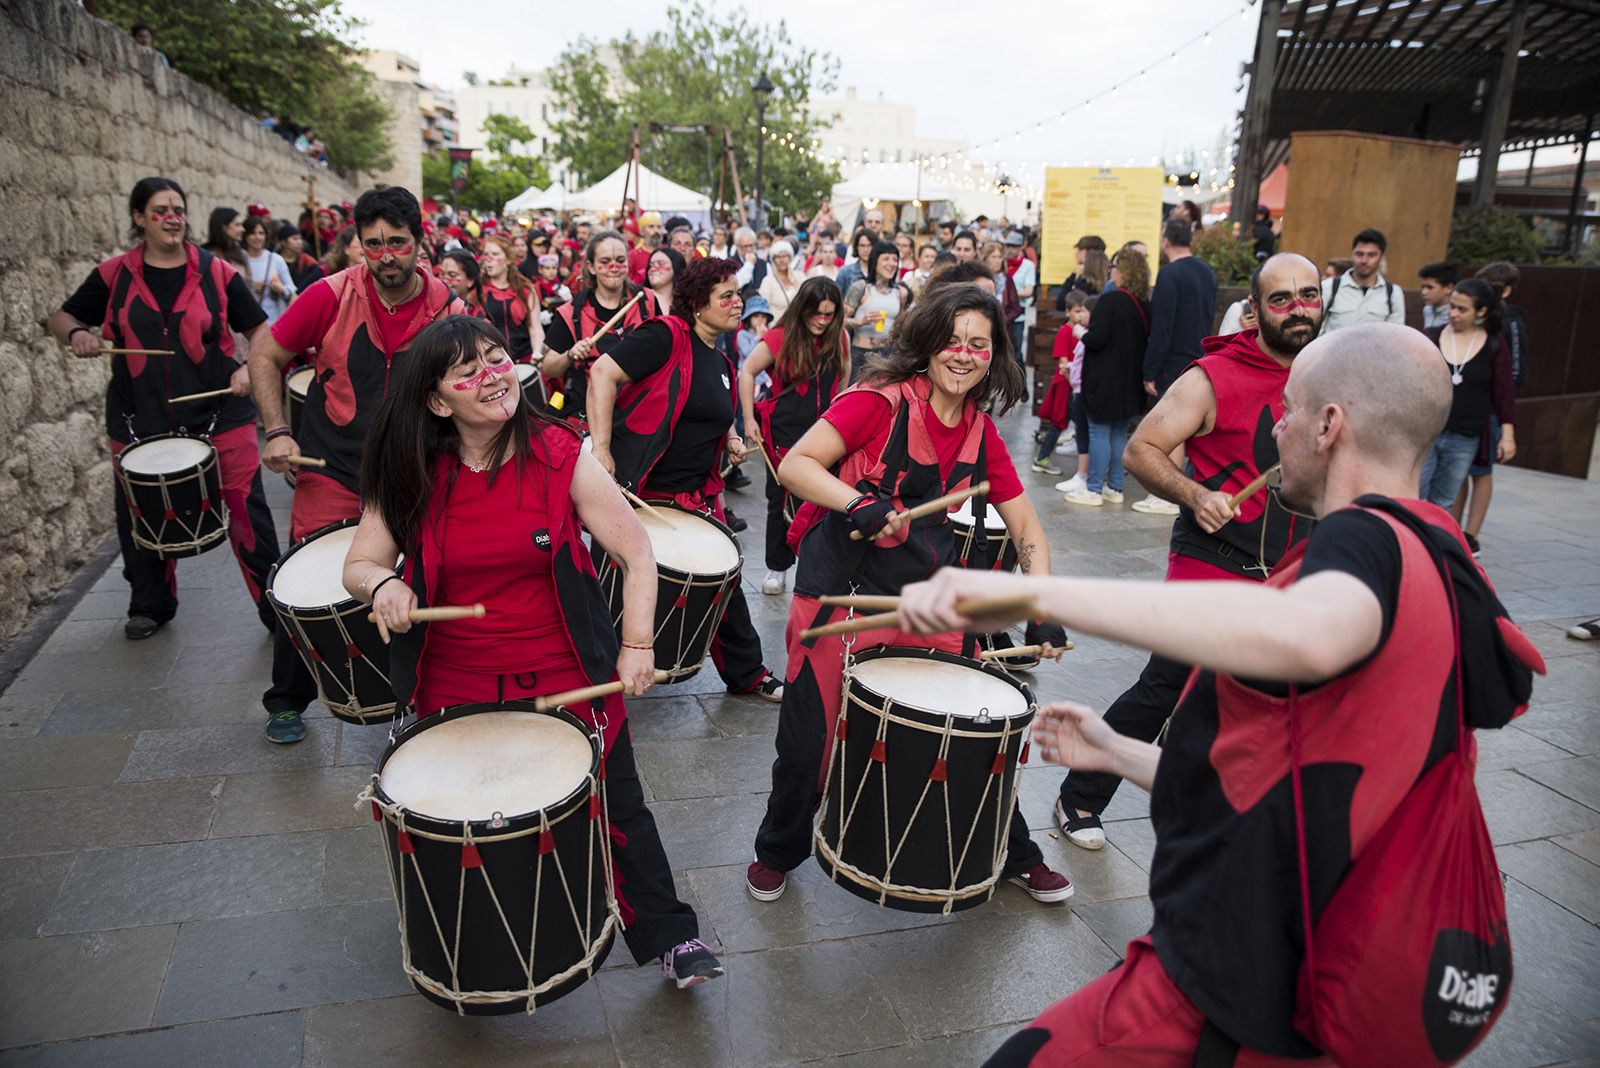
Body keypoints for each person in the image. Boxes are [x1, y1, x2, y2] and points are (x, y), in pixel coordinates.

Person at [898, 322, 1540, 1067]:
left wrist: (1026, 593)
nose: (1278, 428)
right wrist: (1122, 752)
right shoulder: (1438, 548)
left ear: (1330, 426)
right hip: (1318, 980)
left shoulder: (1364, 544)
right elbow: (1291, 787)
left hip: (1240, 990)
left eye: (1290, 410)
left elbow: (1307, 634)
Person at [343, 315, 725, 991]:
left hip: (566, 671)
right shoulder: (411, 468)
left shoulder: (559, 452)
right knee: (469, 816)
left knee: (618, 805)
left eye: (496, 359)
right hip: (451, 678)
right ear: (438, 400)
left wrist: (637, 645)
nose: (492, 376)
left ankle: (669, 933)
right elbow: (360, 563)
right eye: (468, 371)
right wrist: (385, 583)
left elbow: (636, 549)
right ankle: (479, 948)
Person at [744, 283, 1075, 904]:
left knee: (978, 729)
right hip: (842, 596)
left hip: (927, 603)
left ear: (992, 356)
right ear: (927, 346)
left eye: (978, 344)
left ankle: (1013, 853)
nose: (963, 354)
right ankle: (777, 850)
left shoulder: (981, 433)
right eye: (951, 341)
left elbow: (1027, 528)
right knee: (811, 742)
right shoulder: (878, 403)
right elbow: (797, 464)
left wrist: (1042, 611)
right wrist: (857, 502)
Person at [1055, 253, 1322, 850]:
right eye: (1281, 299)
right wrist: (1197, 495)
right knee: (1168, 686)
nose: (1297, 308)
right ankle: (1081, 793)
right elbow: (1143, 450)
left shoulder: (1333, 375)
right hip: (1214, 557)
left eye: (1308, 295)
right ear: (1253, 312)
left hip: (1295, 566)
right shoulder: (1212, 376)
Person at [248, 185, 470, 744]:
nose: (386, 256)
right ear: (359, 247)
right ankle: (286, 699)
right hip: (333, 466)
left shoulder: (449, 307)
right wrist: (276, 430)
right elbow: (265, 354)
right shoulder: (328, 295)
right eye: (373, 245)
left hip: (414, 469)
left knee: (424, 580)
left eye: (397, 242)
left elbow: (471, 379)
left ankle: (428, 698)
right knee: (305, 581)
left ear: (420, 242)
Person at [50, 175, 282, 643]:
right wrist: (77, 335)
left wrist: (246, 368)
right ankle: (150, 604)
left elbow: (261, 330)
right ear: (139, 218)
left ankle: (273, 608)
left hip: (219, 412)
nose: (172, 217)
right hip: (139, 416)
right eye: (160, 210)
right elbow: (62, 316)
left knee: (246, 510)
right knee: (140, 510)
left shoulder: (216, 272)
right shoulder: (114, 275)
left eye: (178, 209)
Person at [586, 257, 784, 701]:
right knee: (614, 586)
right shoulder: (663, 336)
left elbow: (712, 409)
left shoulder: (721, 358)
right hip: (644, 493)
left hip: (697, 495)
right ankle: (595, 671)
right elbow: (602, 372)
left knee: (725, 584)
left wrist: (731, 436)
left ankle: (747, 673)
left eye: (738, 293)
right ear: (697, 305)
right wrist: (600, 447)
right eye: (727, 296)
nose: (738, 303)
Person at [738, 277, 848, 597]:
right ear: (802, 309)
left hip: (825, 429)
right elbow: (747, 371)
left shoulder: (838, 336)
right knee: (783, 499)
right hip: (784, 429)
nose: (822, 321)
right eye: (816, 314)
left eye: (828, 315)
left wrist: (844, 416)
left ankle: (818, 565)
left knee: (825, 497)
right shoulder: (779, 337)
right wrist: (748, 420)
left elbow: (844, 375)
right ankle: (778, 566)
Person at [1133, 218, 1218, 516]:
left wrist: (1150, 370)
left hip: (1172, 361)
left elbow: (1162, 326)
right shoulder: (1206, 271)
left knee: (1170, 428)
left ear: (1166, 241)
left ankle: (1165, 495)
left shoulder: (1170, 274)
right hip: (1201, 355)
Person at [541, 231, 661, 426]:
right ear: (591, 267)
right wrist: (570, 354)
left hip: (641, 411)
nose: (614, 267)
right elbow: (549, 368)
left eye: (620, 260)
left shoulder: (647, 301)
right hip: (590, 413)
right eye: (605, 261)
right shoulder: (571, 311)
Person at [1418, 278, 1516, 517]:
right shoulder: (1431, 336)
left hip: (1466, 436)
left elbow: (1503, 391)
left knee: (1443, 502)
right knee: (1415, 495)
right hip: (1429, 432)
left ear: (1481, 311)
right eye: (1452, 306)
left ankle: (1436, 551)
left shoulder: (1494, 343)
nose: (1453, 314)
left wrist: (1508, 435)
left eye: (1462, 309)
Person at [1452, 264, 1529, 554]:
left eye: (1490, 287)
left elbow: (1515, 373)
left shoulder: (1510, 324)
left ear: (1505, 291)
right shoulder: (1468, 325)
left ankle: (1471, 535)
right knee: (1458, 472)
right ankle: (1453, 528)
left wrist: (1502, 417)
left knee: (1481, 471)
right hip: (1463, 407)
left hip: (1490, 411)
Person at [1064, 250, 1151, 508]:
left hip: (1104, 381)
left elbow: (1097, 339)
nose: (1111, 269)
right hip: (1130, 380)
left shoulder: (1110, 300)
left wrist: (1080, 332)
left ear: (1122, 269)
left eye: (1114, 265)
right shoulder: (1144, 303)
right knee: (1119, 433)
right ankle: (1115, 487)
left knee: (1098, 431)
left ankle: (1092, 489)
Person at [1047, 292, 1094, 490]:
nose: (1080, 315)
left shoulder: (1083, 332)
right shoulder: (1066, 332)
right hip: (1068, 386)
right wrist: (1071, 380)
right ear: (1068, 312)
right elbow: (1063, 362)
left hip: (1076, 387)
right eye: (1077, 311)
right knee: (1060, 422)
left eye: (1083, 311)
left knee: (1073, 423)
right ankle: (1042, 456)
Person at [1320, 227, 1405, 332]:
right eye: (1359, 254)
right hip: (1334, 348)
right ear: (1352, 253)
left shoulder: (1393, 293)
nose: (1364, 260)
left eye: (1371, 255)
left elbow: (1395, 334)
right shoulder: (1329, 287)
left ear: (1382, 256)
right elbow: (1318, 328)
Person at [843, 240, 905, 381]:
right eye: (886, 259)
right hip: (861, 353)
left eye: (895, 259)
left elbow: (899, 327)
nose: (891, 264)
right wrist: (859, 322)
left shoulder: (900, 292)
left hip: (888, 354)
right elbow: (840, 322)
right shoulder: (861, 287)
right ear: (875, 261)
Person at [477, 234, 540, 363]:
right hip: (493, 362)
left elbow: (535, 327)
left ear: (509, 259)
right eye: (486, 254)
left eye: (494, 254)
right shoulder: (479, 290)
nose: (488, 259)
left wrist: (537, 352)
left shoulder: (525, 289)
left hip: (524, 359)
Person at [241, 216, 295, 323]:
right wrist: (250, 286)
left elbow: (292, 290)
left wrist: (280, 288)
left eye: (261, 233)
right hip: (247, 322)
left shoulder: (275, 259)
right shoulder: (240, 260)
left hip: (273, 321)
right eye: (253, 233)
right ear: (245, 236)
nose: (258, 237)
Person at [1003, 231, 1037, 361]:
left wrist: (1009, 294)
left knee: (1016, 352)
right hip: (1001, 313)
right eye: (1008, 246)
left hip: (1017, 315)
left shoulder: (1027, 265)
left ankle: (1019, 380)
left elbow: (1029, 291)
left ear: (1020, 247)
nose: (1010, 249)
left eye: (1014, 246)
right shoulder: (1001, 263)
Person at [1055, 236, 1107, 310]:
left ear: (1089, 252)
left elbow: (1061, 303)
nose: (1076, 253)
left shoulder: (1086, 281)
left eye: (1080, 249)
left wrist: (1073, 277)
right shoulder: (1106, 276)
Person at [759, 239, 803, 318]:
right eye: (777, 257)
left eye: (784, 256)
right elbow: (764, 307)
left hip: (797, 324)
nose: (781, 260)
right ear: (773, 260)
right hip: (776, 325)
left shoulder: (800, 276)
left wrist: (795, 283)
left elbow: (806, 298)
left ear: (790, 257)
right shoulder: (768, 281)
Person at [277, 224, 323, 292]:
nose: (300, 242)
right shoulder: (274, 259)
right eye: (295, 239)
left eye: (300, 239)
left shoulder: (306, 259)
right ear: (283, 242)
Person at [1417, 262, 1458, 332]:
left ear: (1449, 288)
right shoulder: (1427, 310)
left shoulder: (1456, 316)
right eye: (1423, 287)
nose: (1423, 292)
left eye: (1430, 287)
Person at [835, 228, 876, 296]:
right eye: (862, 246)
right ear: (856, 247)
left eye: (869, 246)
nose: (866, 250)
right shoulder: (845, 272)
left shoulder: (880, 273)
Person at [627, 211, 664, 284]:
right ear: (641, 231)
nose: (656, 231)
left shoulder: (668, 253)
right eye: (651, 226)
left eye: (659, 227)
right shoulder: (633, 256)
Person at [647, 246, 686, 315]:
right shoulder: (639, 299)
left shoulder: (686, 304)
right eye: (651, 265)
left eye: (661, 263)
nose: (653, 269)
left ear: (675, 268)